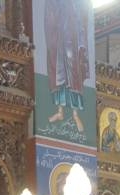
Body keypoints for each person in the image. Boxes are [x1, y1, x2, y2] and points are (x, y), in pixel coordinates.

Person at [45, 0, 88, 133]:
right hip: (60, 44)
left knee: (74, 79)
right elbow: (50, 20)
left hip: (72, 45)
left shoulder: (76, 5)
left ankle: (75, 114)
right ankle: (60, 111)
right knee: (59, 78)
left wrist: (82, 45)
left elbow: (81, 25)